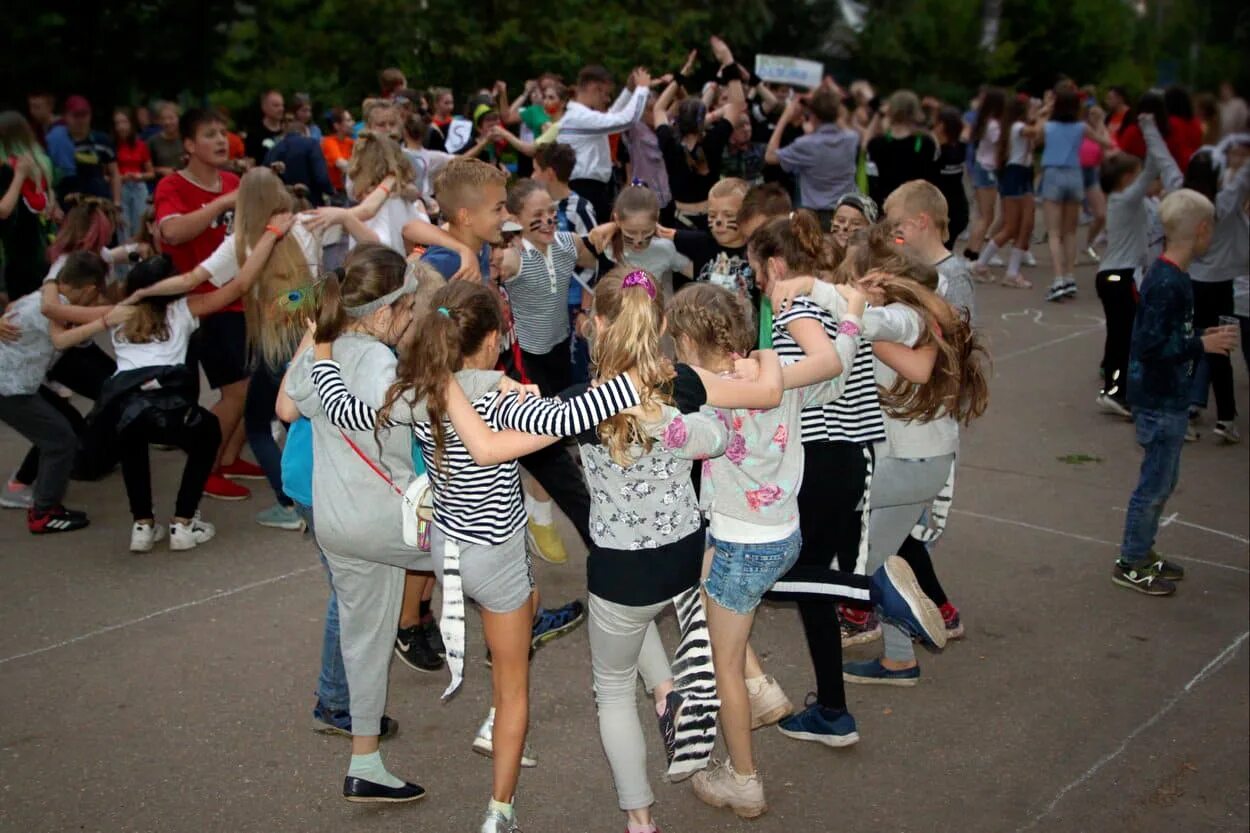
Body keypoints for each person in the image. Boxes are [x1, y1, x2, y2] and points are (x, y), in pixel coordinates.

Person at [310, 279, 644, 832]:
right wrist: (635, 382)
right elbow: (568, 419)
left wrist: (323, 354)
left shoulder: (417, 391)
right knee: (513, 688)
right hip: (496, 555)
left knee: (527, 600)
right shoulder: (498, 401)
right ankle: (500, 811)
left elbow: (343, 408)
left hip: (449, 551)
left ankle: (499, 725)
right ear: (491, 339)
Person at [103, 242, 277, 552]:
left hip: (124, 408)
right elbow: (240, 284)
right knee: (207, 433)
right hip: (170, 408)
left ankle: (142, 525)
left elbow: (57, 310)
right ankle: (183, 522)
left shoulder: (117, 315)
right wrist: (271, 235)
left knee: (133, 451)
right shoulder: (183, 310)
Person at [1115, 189, 1237, 595]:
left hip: (1169, 396)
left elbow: (1170, 336)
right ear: (1201, 230)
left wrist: (1202, 336)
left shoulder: (1175, 276)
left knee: (1163, 482)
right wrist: (1200, 345)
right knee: (1154, 485)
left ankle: (1143, 551)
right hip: (1158, 398)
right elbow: (1149, 346)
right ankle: (1131, 560)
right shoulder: (1167, 281)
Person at [152, 107, 250, 501]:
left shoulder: (233, 180)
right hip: (201, 305)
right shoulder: (172, 186)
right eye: (209, 134)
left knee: (256, 386)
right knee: (237, 391)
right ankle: (204, 469)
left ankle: (228, 456)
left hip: (241, 298)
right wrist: (223, 202)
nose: (221, 140)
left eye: (223, 132)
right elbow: (172, 232)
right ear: (189, 145)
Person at [0, 251, 124, 533]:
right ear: (90, 289)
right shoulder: (53, 308)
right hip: (10, 389)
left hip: (18, 385)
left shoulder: (46, 298)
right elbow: (64, 338)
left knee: (60, 430)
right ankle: (43, 513)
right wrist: (109, 318)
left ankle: (42, 503)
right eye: (97, 293)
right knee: (60, 440)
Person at [1095, 114, 1181, 417]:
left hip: (1110, 275)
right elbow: (1154, 169)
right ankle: (1116, 392)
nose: (1143, 178)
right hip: (1121, 276)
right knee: (1126, 334)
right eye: (1135, 173)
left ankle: (1112, 386)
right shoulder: (1126, 199)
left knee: (1119, 333)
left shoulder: (1126, 202)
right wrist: (1151, 130)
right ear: (1125, 179)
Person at [498, 179, 598, 397]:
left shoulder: (568, 243)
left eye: (552, 211)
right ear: (515, 220)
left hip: (561, 344)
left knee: (563, 398)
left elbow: (596, 263)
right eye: (537, 216)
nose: (548, 220)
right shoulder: (515, 257)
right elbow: (487, 267)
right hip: (527, 353)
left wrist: (585, 309)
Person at [1184, 140, 1250, 444]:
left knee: (1190, 345)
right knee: (1220, 350)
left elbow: (1164, 162)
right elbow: (1243, 179)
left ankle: (1183, 407)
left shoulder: (1184, 202)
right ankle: (1226, 418)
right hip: (1223, 285)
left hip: (1193, 281)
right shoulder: (1223, 203)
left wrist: (1149, 129)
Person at [1040, 88, 1109, 302]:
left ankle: (1058, 279)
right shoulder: (1081, 127)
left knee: (1053, 232)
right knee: (1070, 232)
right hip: (1075, 174)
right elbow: (1105, 143)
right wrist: (1100, 122)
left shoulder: (1048, 126)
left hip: (1053, 174)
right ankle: (1070, 277)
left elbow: (1034, 136)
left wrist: (1045, 109)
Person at [557, 64, 652, 221]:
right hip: (585, 189)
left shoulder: (580, 116)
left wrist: (629, 91)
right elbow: (626, 119)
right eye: (606, 94)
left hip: (592, 189)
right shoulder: (578, 118)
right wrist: (642, 89)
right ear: (595, 88)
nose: (607, 99)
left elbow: (612, 116)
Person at [765, 86, 858, 225]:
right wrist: (829, 101)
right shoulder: (852, 138)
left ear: (813, 114)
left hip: (814, 216)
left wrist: (786, 115)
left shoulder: (805, 144)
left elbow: (770, 157)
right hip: (845, 213)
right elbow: (840, 122)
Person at [973, 95, 1035, 287]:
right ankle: (981, 264)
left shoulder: (1017, 126)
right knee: (1011, 227)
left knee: (1026, 225)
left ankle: (1012, 272)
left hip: (1024, 172)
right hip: (1014, 174)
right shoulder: (1016, 127)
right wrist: (1044, 112)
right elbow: (1037, 130)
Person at [0, 111, 56, 306]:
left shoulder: (14, 167)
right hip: (31, 248)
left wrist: (18, 176)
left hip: (20, 250)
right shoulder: (36, 162)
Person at [598, 184, 692, 299]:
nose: (639, 240)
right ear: (617, 219)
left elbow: (698, 271)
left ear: (657, 218)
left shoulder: (664, 248)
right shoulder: (606, 247)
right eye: (631, 232)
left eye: (646, 231)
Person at [865, 89, 938, 208]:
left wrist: (878, 114)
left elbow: (865, 144)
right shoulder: (925, 142)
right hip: (915, 205)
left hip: (885, 206)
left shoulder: (878, 143)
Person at [45, 95, 118, 206]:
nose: (80, 120)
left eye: (84, 115)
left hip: (99, 202)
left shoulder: (102, 140)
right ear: (66, 116)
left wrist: (117, 203)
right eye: (75, 115)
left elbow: (114, 174)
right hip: (66, 203)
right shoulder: (56, 142)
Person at [964, 87, 1006, 264]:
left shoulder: (985, 122)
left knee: (984, 216)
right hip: (987, 170)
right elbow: (1002, 145)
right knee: (986, 216)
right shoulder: (993, 125)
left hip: (983, 168)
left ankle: (972, 253)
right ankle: (972, 255)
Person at [264, 110, 333, 206]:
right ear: (305, 132)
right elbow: (321, 177)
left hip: (283, 205)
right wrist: (331, 192)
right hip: (310, 202)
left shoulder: (273, 150)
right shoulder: (311, 144)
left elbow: (266, 179)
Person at [933, 106, 970, 249]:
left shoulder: (935, 152)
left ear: (941, 127)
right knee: (946, 249)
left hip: (940, 210)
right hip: (959, 209)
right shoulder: (961, 146)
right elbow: (967, 127)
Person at [113, 108, 154, 239]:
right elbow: (106, 176)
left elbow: (151, 173)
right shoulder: (112, 146)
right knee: (123, 227)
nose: (121, 127)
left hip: (138, 186)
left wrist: (139, 176)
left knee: (140, 226)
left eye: (124, 122)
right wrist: (119, 178)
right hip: (120, 188)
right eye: (117, 123)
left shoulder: (140, 145)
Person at [245, 89, 286, 165]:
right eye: (276, 105)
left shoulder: (288, 131)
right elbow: (250, 162)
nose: (281, 109)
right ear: (264, 107)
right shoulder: (254, 133)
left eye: (282, 105)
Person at [321, 108, 355, 196]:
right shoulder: (328, 142)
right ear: (337, 126)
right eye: (348, 120)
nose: (353, 123)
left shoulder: (350, 142)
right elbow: (341, 164)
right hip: (336, 194)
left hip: (349, 190)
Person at [147, 102, 183, 181]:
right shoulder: (153, 141)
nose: (167, 122)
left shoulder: (187, 138)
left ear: (178, 118)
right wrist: (160, 170)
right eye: (163, 119)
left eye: (171, 118)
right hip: (163, 183)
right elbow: (145, 167)